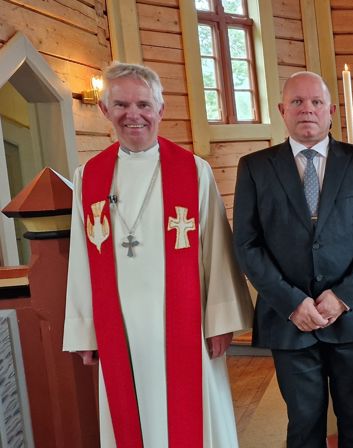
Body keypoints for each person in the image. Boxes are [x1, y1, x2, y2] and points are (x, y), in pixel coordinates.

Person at [62, 62, 253, 446]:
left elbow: (216, 247)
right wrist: (86, 329)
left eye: (144, 105)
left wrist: (219, 320)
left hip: (185, 322)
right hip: (120, 326)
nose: (134, 115)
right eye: (121, 105)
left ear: (160, 110)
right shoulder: (90, 176)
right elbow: (82, 256)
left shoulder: (193, 171)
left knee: (193, 417)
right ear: (105, 111)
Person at [233, 71, 353, 448]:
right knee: (304, 420)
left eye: (316, 102)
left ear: (331, 111)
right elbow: (246, 243)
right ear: (282, 110)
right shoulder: (255, 167)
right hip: (288, 318)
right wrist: (292, 302)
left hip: (352, 315)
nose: (307, 110)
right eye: (297, 102)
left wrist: (343, 296)